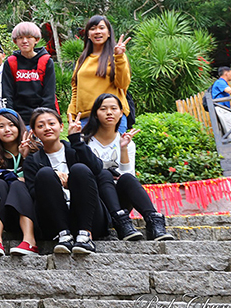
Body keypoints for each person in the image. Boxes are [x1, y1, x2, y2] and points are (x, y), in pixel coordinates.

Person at [82, 94, 173, 241]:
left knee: (128, 178)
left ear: (121, 114)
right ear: (96, 114)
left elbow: (126, 176)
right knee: (104, 174)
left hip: (120, 200)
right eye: (103, 109)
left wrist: (123, 148)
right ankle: (121, 221)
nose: (109, 112)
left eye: (114, 108)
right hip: (96, 201)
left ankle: (154, 222)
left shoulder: (127, 142)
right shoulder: (84, 142)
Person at [23, 108, 106, 255]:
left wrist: (76, 140)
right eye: (41, 126)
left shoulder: (75, 149)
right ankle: (64, 235)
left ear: (61, 126)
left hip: (88, 217)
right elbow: (33, 193)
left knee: (80, 169)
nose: (47, 128)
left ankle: (85, 236)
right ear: (34, 133)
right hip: (54, 222)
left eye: (51, 123)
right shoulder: (32, 161)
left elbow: (97, 169)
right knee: (45, 174)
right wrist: (55, 180)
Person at [0, 109, 39, 256]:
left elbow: (40, 183)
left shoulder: (35, 152)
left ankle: (30, 240)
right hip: (6, 214)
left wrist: (26, 157)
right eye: (1, 126)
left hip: (32, 213)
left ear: (19, 127)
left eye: (11, 125)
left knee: (18, 184)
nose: (7, 130)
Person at [67, 15, 131, 133]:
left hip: (112, 117)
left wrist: (119, 57)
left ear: (109, 33)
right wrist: (71, 114)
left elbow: (122, 84)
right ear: (88, 34)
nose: (97, 32)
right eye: (93, 28)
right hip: (86, 118)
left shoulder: (117, 56)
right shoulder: (82, 59)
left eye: (101, 28)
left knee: (115, 151)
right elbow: (76, 88)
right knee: (85, 151)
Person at [1, 22, 58, 126]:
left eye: (29, 37)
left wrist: (40, 120)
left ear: (36, 40)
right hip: (18, 118)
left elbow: (49, 95)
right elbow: (7, 94)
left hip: (42, 117)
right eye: (20, 38)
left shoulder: (46, 61)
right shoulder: (11, 62)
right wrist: (12, 118)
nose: (24, 41)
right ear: (15, 41)